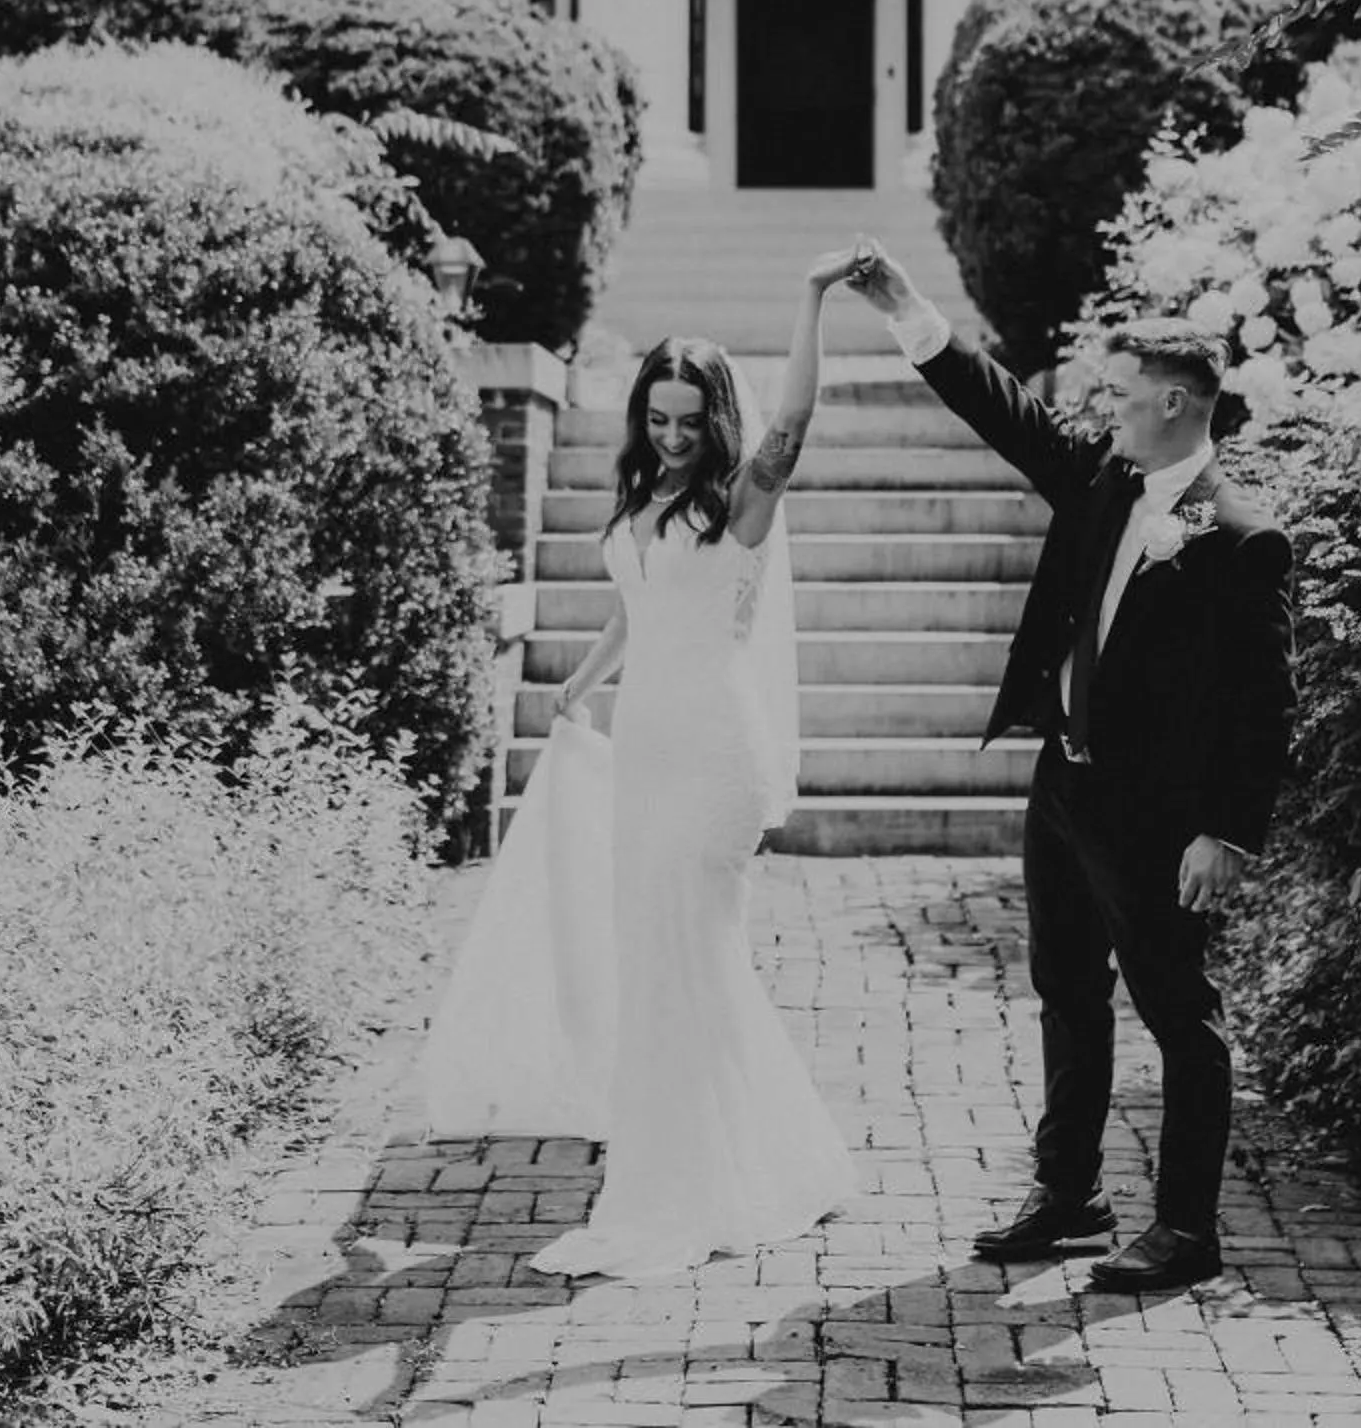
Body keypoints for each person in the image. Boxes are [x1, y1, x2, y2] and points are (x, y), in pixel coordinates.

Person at [845, 241, 1295, 1296]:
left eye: (1128, 395)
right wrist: (906, 305)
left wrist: (1226, 834)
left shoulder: (1238, 539)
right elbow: (1005, 413)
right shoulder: (1103, 480)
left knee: (1177, 1014)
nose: (1110, 409)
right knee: (1064, 991)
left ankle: (1184, 1230)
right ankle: (1069, 1197)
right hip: (1064, 785)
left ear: (1181, 407)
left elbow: (1261, 706)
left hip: (1155, 817)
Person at [528, 253, 862, 1280]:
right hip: (645, 750)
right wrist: (581, 684)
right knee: (659, 962)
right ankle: (742, 1151)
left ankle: (707, 1178)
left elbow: (794, 426)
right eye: (658, 419)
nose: (672, 436)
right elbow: (634, 613)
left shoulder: (737, 504)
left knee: (691, 955)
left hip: (713, 754)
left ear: (715, 420)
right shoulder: (638, 500)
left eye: (688, 421)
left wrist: (806, 300)